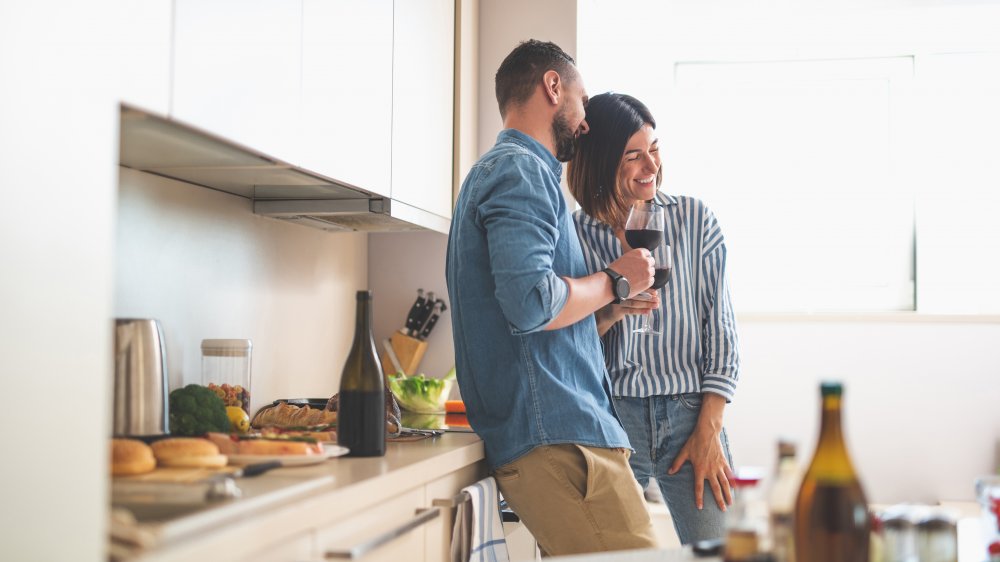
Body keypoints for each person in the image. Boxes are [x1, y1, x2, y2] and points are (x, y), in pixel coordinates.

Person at [446, 41, 660, 556]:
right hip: (561, 440)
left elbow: (534, 308)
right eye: (582, 102)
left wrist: (605, 307)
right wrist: (616, 278)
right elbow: (531, 303)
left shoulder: (508, 172)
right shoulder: (522, 171)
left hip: (561, 436)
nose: (585, 122)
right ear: (553, 87)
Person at [567, 92, 741, 545]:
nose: (652, 166)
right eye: (634, 155)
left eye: (655, 149)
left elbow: (720, 329)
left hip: (691, 416)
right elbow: (573, 343)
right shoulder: (576, 234)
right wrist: (611, 309)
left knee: (721, 551)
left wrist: (710, 428)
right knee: (606, 554)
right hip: (613, 418)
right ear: (604, 160)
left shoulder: (695, 220)